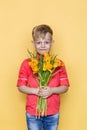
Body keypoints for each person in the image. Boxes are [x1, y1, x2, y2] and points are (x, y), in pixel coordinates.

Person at [17, 24, 70, 130]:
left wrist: (51, 90)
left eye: (46, 42)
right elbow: (20, 86)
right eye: (39, 42)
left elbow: (65, 87)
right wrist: (35, 91)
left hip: (52, 111)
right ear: (33, 43)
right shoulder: (27, 63)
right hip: (33, 112)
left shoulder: (59, 64)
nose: (42, 45)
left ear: (52, 43)